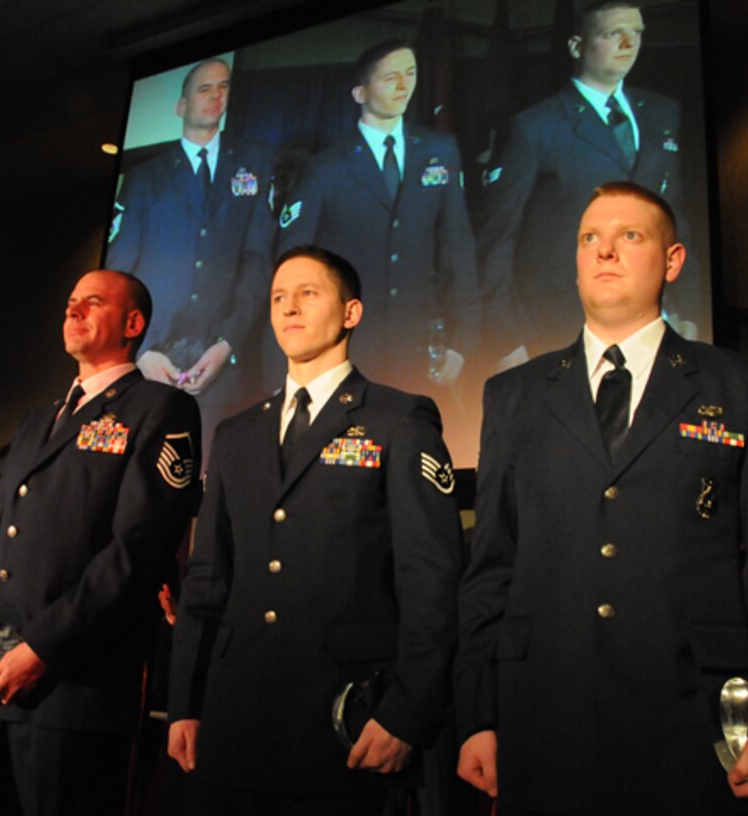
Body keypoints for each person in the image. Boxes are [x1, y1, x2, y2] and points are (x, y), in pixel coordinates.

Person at [455, 182, 748, 815]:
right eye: (589, 239)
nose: (605, 252)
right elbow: (491, 568)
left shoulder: (743, 388)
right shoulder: (512, 395)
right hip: (543, 716)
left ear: (673, 260)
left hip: (690, 724)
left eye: (629, 236)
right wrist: (476, 714)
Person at [167, 245, 463, 815]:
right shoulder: (235, 434)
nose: (289, 308)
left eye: (308, 293)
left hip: (343, 723)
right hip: (233, 722)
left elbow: (432, 578)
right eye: (279, 297)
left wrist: (407, 710)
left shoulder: (398, 419)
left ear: (351, 312)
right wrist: (185, 702)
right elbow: (207, 582)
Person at [0, 269, 202, 816]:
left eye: (92, 302)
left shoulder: (161, 408)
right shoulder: (38, 420)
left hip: (72, 689)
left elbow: (137, 552)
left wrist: (41, 650)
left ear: (133, 323)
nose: (74, 311)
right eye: (69, 303)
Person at [478, 2, 686, 361]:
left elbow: (678, 218)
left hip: (654, 317)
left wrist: (691, 307)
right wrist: (507, 337)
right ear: (577, 46)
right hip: (561, 321)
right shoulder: (536, 127)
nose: (628, 44)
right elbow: (496, 239)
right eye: (612, 34)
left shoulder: (662, 113)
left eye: (635, 33)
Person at [277, 41, 478, 395]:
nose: (404, 86)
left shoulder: (440, 150)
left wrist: (462, 339)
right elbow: (293, 266)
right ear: (360, 92)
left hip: (421, 346)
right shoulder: (325, 168)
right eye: (391, 77)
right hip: (352, 349)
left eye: (410, 74)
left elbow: (457, 248)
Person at [107, 57, 277, 452]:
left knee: (214, 472)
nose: (216, 95)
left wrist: (227, 344)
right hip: (151, 359)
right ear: (181, 106)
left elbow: (257, 262)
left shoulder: (256, 163)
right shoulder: (145, 177)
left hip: (221, 362)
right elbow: (120, 272)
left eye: (223, 87)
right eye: (204, 88)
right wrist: (142, 349)